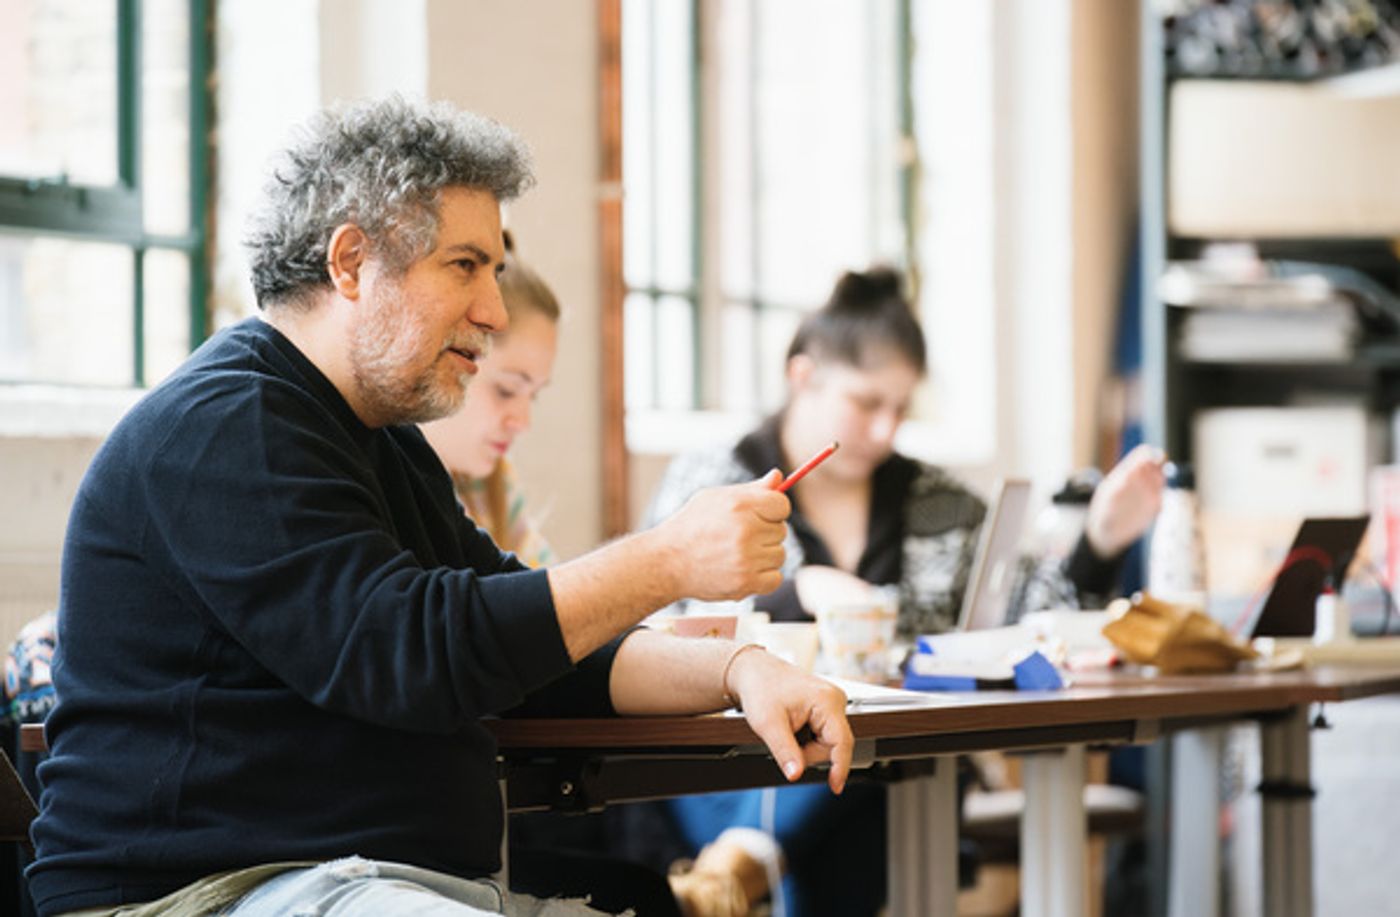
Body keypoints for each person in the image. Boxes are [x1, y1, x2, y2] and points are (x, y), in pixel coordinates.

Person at [26, 96, 852, 917]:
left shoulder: (379, 438)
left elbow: (530, 653)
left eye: (493, 271)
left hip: (375, 887)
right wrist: (667, 557)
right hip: (215, 894)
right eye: (465, 265)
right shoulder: (224, 427)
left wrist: (739, 668)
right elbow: (409, 651)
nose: (494, 310)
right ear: (350, 262)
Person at [640, 267, 1165, 917]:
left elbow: (1032, 633)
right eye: (866, 403)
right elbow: (667, 632)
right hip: (731, 762)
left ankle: (733, 875)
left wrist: (1101, 542)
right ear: (802, 376)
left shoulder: (943, 505)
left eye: (900, 408)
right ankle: (743, 863)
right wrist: (796, 590)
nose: (886, 430)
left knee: (861, 764)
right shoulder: (713, 482)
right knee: (849, 779)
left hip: (893, 769)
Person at [420, 231, 559, 570]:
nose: (522, 422)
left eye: (533, 395)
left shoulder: (493, 483)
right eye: (507, 390)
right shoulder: (389, 487)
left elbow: (551, 592)